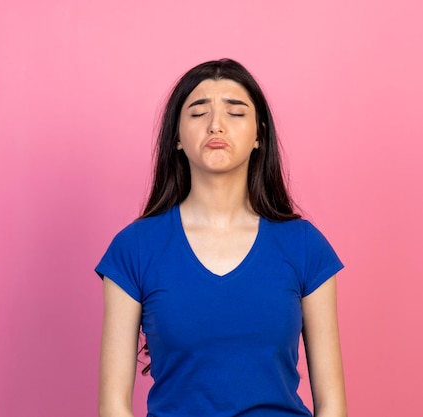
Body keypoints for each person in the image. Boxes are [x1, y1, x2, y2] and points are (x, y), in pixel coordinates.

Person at [95, 59, 347, 417]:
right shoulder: (133, 249)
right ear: (177, 138)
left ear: (259, 135)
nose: (216, 125)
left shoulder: (305, 247)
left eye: (235, 113)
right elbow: (113, 408)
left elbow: (332, 405)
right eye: (198, 113)